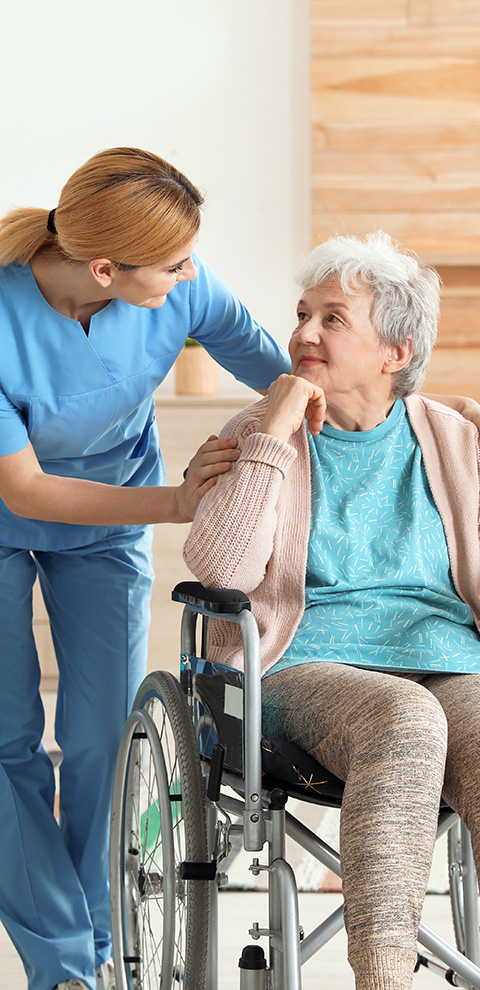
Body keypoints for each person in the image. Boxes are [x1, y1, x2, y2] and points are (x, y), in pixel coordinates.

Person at [0, 146, 293, 990]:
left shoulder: (183, 289)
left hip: (108, 521)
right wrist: (174, 504)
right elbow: (21, 487)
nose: (190, 272)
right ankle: (63, 963)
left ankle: (97, 931)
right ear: (103, 268)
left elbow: (278, 370)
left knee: (105, 737)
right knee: (8, 741)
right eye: (173, 262)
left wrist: (403, 412)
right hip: (11, 509)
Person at [184, 230, 480, 990]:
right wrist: (273, 432)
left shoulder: (455, 436)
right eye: (302, 313)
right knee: (406, 717)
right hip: (297, 664)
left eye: (333, 318)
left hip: (448, 659)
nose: (304, 333)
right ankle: (383, 978)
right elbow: (221, 570)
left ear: (395, 351)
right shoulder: (258, 433)